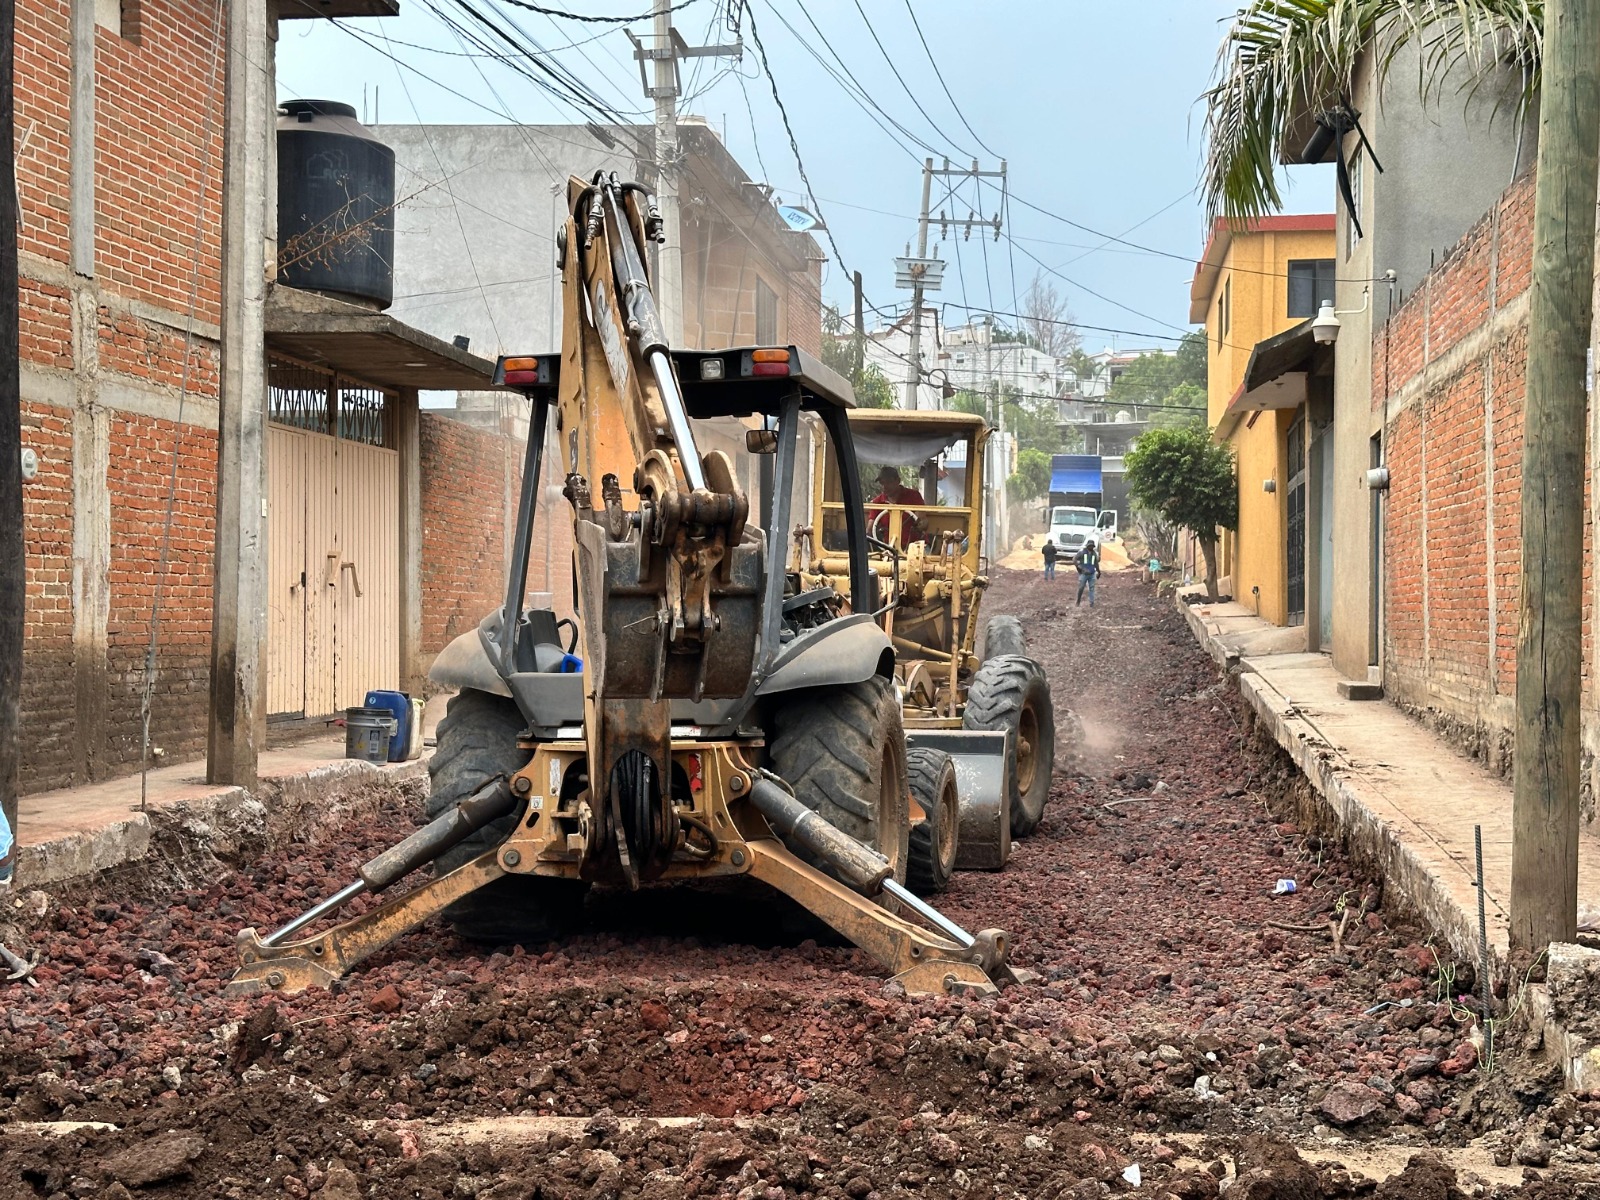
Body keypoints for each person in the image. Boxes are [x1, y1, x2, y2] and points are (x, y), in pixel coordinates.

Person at [868, 466, 925, 547]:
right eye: (882, 483)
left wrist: (920, 524)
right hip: (889, 548)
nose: (884, 487)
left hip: (915, 547)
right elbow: (869, 529)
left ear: (898, 481)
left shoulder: (914, 496)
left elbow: (922, 520)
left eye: (888, 482)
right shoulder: (877, 502)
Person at [1074, 539, 1101, 607]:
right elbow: (1074, 559)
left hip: (1092, 573)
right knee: (1081, 588)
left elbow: (1096, 563)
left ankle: (1091, 603)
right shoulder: (1082, 552)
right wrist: (1079, 568)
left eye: (1092, 546)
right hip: (1084, 574)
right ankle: (1078, 601)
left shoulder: (1094, 554)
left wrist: (1099, 571)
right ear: (1087, 546)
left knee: (1091, 588)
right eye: (1090, 546)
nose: (1091, 547)